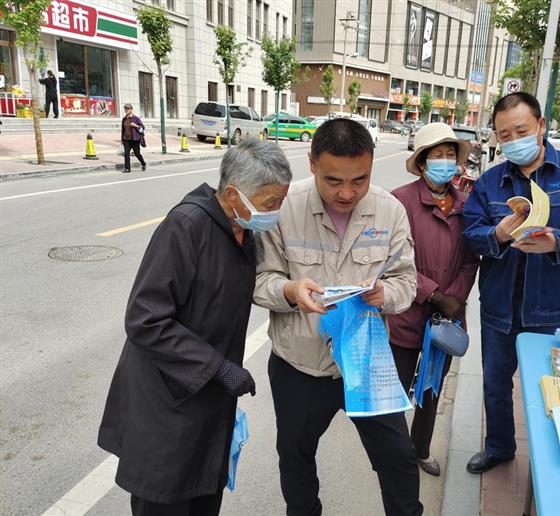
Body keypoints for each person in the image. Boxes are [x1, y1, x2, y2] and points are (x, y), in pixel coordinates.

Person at [97, 138, 293, 516]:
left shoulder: (244, 232)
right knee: (167, 500)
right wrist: (218, 368)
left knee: (204, 497)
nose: (276, 212)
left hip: (210, 403)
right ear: (233, 194)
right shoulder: (186, 227)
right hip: (167, 404)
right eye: (271, 203)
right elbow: (145, 318)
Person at [253, 118, 423, 516]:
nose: (347, 193)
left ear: (372, 165)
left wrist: (384, 295)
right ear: (312, 163)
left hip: (366, 363)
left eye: (359, 180)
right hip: (301, 365)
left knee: (398, 456)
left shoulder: (389, 211)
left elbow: (407, 281)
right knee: (296, 455)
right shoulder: (284, 208)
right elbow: (260, 280)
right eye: (333, 181)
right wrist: (290, 291)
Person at [462, 92, 560, 474]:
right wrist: (497, 234)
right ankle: (499, 447)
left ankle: (552, 461)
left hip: (550, 306)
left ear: (541, 126)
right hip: (499, 306)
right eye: (504, 135)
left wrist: (559, 241)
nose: (514, 140)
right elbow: (471, 231)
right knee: (496, 384)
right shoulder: (491, 182)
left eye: (521, 131)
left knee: (551, 387)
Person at [389, 123, 479, 476]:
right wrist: (434, 294)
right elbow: (393, 259)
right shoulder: (400, 201)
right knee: (395, 389)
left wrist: (453, 298)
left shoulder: (466, 205)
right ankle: (393, 453)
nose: (445, 160)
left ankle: (420, 449)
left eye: (450, 154)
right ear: (423, 162)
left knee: (432, 389)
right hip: (405, 312)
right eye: (437, 154)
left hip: (447, 319)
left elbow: (471, 259)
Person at [121, 103, 146, 173]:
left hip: (135, 139)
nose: (126, 110)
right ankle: (127, 168)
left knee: (137, 154)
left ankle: (143, 163)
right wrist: (122, 139)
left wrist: (136, 126)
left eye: (128, 108)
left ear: (131, 109)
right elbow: (123, 130)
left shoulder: (136, 118)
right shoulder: (124, 119)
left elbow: (143, 128)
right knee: (126, 154)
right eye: (125, 109)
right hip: (126, 139)